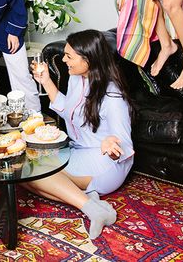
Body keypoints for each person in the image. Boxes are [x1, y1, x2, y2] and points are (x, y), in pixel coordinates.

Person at [25, 29, 133, 239]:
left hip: (106, 163)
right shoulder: (76, 78)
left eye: (69, 56)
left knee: (32, 172)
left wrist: (111, 146)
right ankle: (89, 201)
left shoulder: (112, 96)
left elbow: (124, 145)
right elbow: (68, 110)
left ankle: (92, 209)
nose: (64, 60)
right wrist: (46, 80)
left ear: (88, 59)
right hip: (79, 150)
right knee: (22, 176)